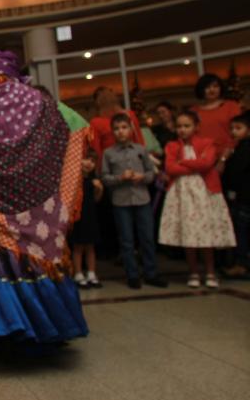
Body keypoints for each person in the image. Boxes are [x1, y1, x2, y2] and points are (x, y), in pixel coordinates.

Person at [0, 50, 89, 349]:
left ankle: (3, 333)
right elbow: (74, 125)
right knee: (39, 259)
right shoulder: (40, 103)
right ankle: (49, 330)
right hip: (39, 208)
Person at [159, 110, 235, 289]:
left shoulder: (207, 143)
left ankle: (210, 272)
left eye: (187, 126)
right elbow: (170, 168)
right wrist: (193, 165)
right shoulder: (171, 146)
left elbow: (207, 163)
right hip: (181, 194)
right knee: (188, 233)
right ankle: (193, 271)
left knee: (205, 233)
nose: (182, 130)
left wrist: (183, 163)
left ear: (195, 127)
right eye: (179, 126)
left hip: (204, 193)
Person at [101, 113, 167, 289]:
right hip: (121, 201)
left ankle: (151, 273)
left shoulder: (140, 150)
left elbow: (152, 174)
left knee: (147, 238)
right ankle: (132, 275)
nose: (120, 132)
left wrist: (142, 177)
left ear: (131, 129)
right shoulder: (108, 153)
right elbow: (105, 178)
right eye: (116, 129)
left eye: (124, 128)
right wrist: (120, 178)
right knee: (126, 240)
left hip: (142, 199)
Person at [220, 111, 250, 277]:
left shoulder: (244, 148)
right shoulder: (238, 147)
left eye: (238, 128)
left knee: (242, 230)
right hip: (241, 196)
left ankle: (241, 264)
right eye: (231, 128)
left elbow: (237, 171)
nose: (233, 132)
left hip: (244, 197)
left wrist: (225, 159)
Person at [192, 73, 242, 169]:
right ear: (201, 90)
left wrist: (223, 159)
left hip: (231, 157)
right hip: (203, 161)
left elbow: (237, 134)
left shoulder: (231, 106)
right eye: (207, 87)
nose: (212, 90)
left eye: (215, 86)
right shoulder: (193, 111)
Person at [70, 149, 104, 289]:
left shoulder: (94, 180)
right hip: (79, 217)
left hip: (91, 216)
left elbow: (97, 200)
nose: (89, 163)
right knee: (78, 246)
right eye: (86, 159)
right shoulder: (75, 180)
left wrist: (99, 189)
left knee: (91, 246)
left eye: (92, 160)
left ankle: (91, 273)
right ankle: (78, 273)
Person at [89, 86, 144, 162]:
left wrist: (100, 168)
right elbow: (139, 140)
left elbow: (96, 149)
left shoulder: (96, 122)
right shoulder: (129, 115)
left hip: (111, 164)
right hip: (134, 161)